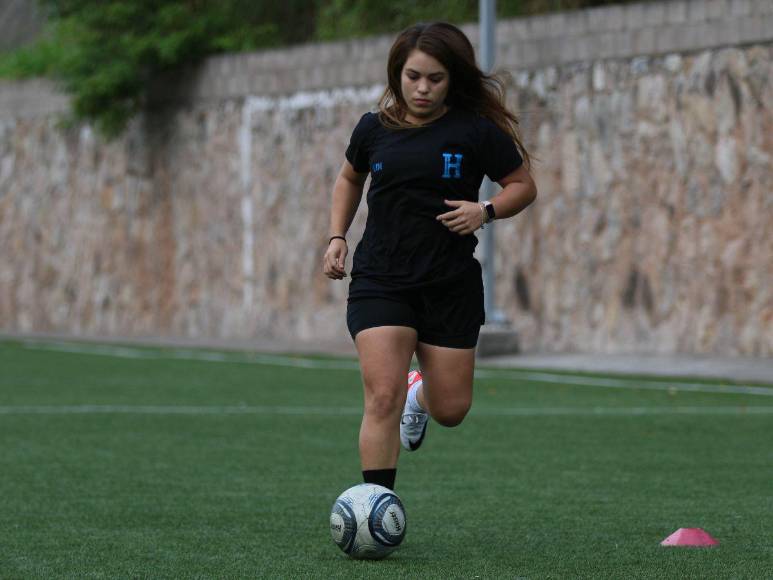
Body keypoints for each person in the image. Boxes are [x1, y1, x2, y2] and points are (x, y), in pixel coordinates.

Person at [322, 21, 537, 492]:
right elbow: (349, 178)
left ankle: (420, 394)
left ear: (453, 79)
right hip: (382, 278)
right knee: (382, 396)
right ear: (397, 74)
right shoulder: (373, 128)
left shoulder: (475, 131)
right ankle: (379, 507)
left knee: (452, 410)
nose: (422, 88)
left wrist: (485, 211)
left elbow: (523, 187)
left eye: (435, 78)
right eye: (413, 76)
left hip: (449, 283)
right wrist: (337, 235)